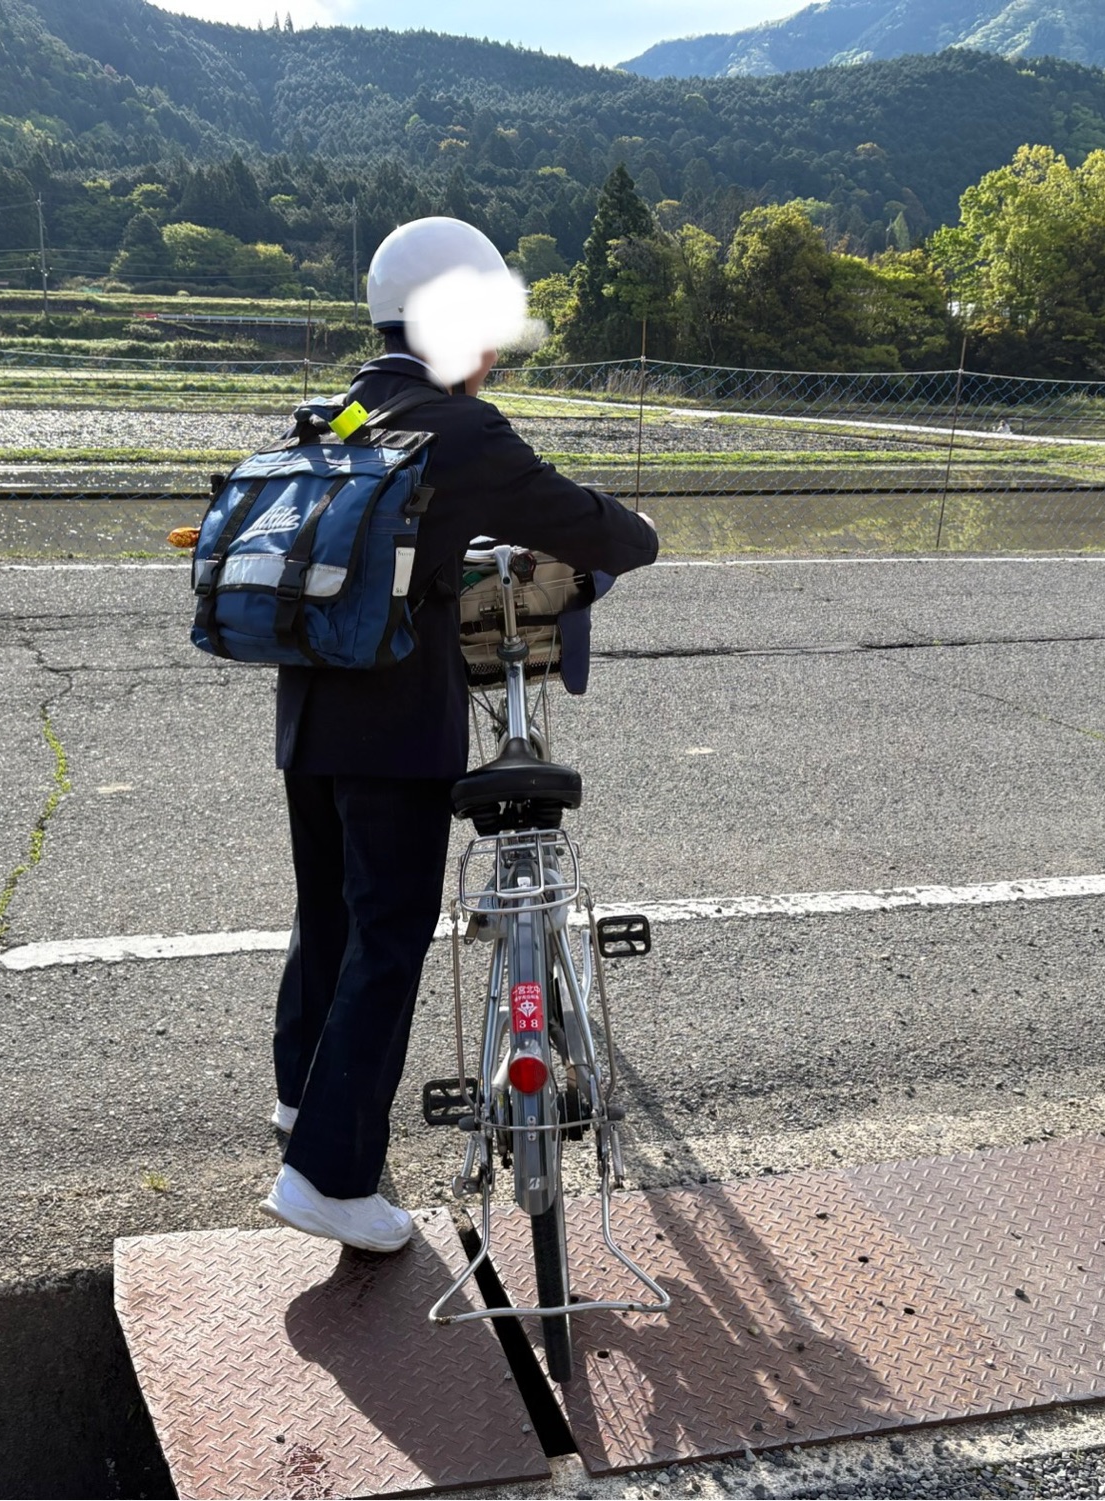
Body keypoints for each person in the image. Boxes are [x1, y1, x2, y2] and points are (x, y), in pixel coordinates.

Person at [259, 217, 660, 1252]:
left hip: (309, 714)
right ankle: (328, 1178)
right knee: (389, 936)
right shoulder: (459, 428)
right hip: (396, 727)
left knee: (329, 919)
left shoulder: (338, 412)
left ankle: (302, 1103)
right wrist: (634, 535)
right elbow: (595, 529)